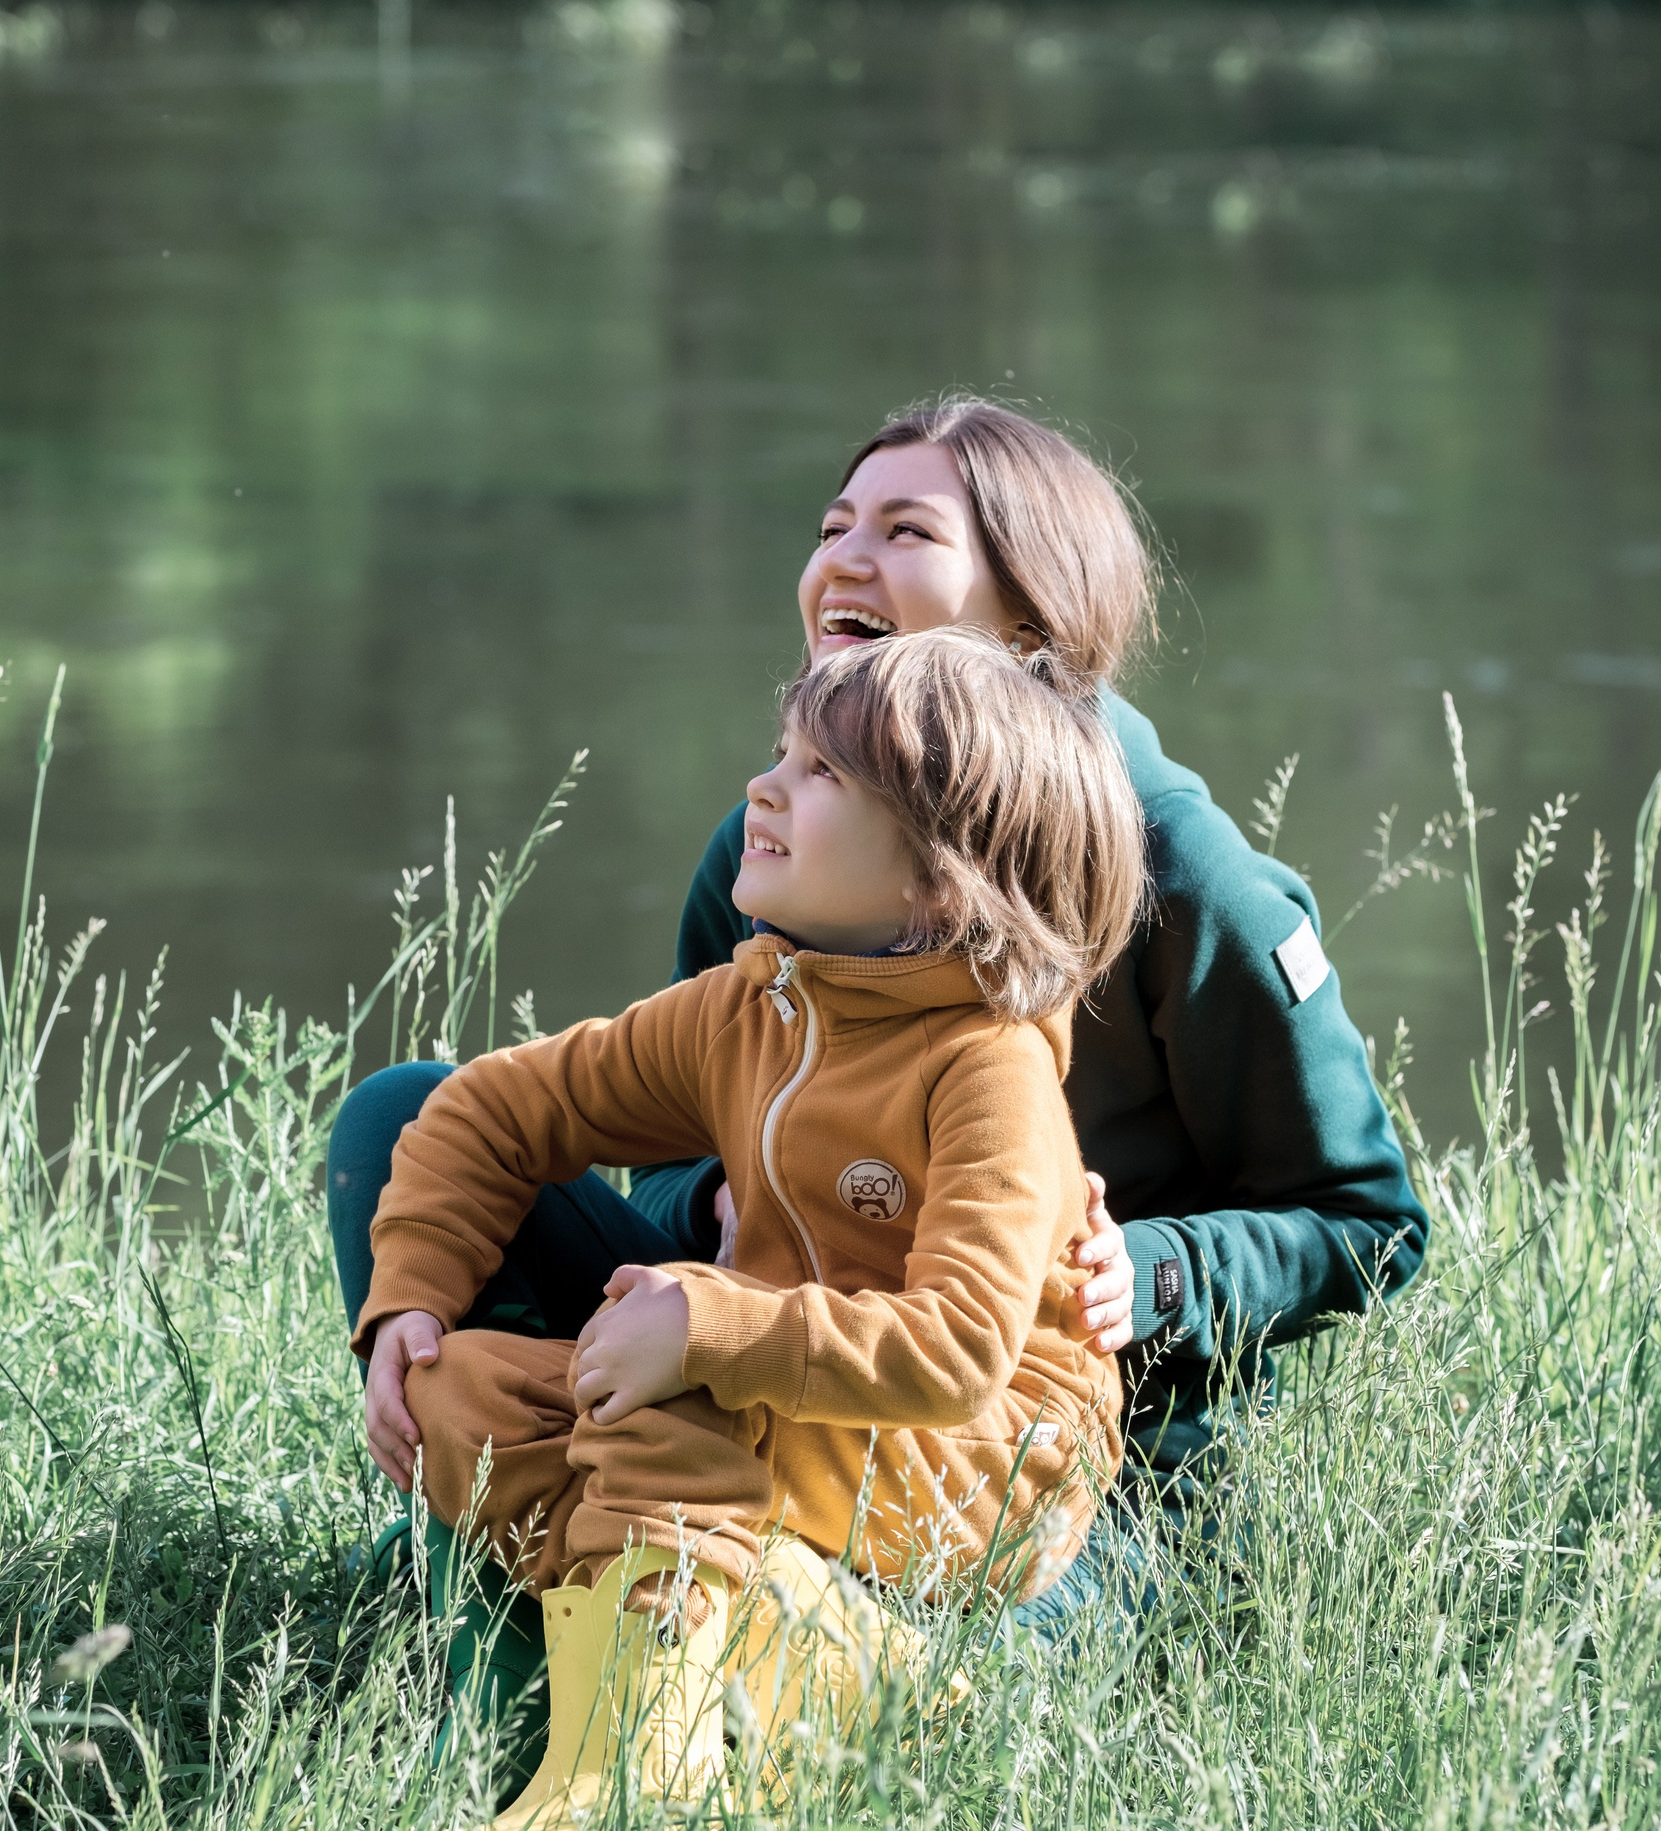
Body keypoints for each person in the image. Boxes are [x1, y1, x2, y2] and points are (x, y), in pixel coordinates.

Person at [327, 396, 1428, 1720]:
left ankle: (685, 1633)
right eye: (832, 522)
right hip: (766, 1371)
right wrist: (691, 1223)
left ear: (1035, 620)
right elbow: (666, 1134)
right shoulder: (786, 853)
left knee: (945, 1695)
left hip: (1050, 1449)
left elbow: (1370, 1220)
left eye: (906, 529)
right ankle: (523, 1575)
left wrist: (1152, 1268)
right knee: (407, 1115)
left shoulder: (1194, 882)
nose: (842, 558)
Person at [352, 630, 1146, 1827]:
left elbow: (958, 1352)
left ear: (942, 876)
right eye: (779, 755)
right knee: (463, 1393)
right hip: (803, 1409)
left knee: (670, 1389)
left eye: (820, 774)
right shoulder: (757, 1004)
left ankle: (630, 1767)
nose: (761, 788)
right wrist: (409, 1297)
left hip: (985, 1455)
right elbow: (496, 1105)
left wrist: (708, 1320)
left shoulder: (988, 1066)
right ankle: (829, 1663)